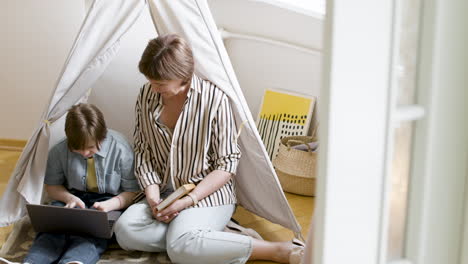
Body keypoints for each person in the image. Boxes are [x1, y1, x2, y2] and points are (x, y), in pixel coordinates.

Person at [114, 34, 304, 264]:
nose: (153, 89)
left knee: (179, 248)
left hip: (207, 194)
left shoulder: (215, 100)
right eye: (150, 81)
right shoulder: (146, 95)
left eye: (160, 84)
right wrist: (153, 195)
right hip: (164, 192)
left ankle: (275, 250)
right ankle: (207, 240)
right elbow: (143, 149)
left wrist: (187, 201)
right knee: (125, 231)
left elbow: (227, 163)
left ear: (181, 76)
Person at [20, 103, 140, 264]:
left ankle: (75, 261)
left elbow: (133, 192)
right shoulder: (59, 151)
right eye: (77, 148)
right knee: (52, 228)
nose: (84, 153)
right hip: (72, 197)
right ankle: (34, 261)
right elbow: (52, 186)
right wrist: (68, 198)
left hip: (110, 200)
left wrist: (111, 205)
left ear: (102, 136)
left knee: (93, 234)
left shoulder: (121, 149)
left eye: (90, 148)